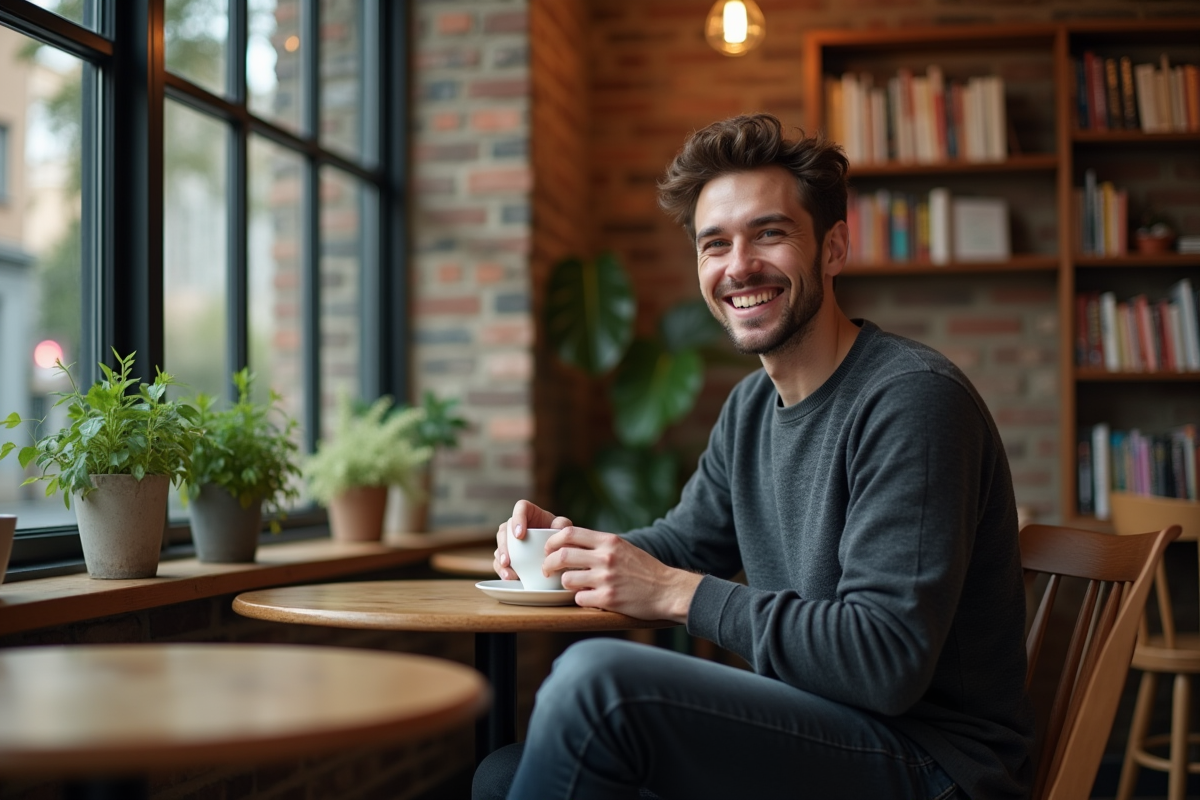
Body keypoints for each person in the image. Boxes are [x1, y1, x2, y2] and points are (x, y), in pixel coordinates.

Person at [473, 113, 1033, 800]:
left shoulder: (912, 401)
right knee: (501, 775)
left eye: (769, 233)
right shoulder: (749, 409)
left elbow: (884, 660)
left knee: (600, 688)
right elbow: (679, 546)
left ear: (833, 249)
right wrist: (562, 551)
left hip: (934, 765)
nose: (739, 267)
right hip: (824, 732)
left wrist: (678, 594)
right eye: (715, 245)